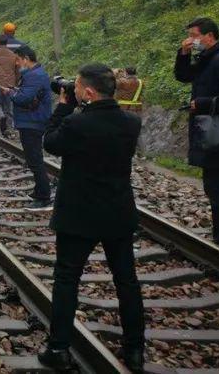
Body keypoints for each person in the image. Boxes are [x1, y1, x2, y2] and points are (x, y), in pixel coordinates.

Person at [37, 64, 146, 373]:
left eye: (77, 88)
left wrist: (62, 107)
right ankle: (135, 350)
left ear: (87, 92)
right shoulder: (131, 123)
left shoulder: (75, 124)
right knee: (126, 281)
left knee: (67, 279)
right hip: (118, 212)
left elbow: (50, 142)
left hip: (78, 214)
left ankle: (58, 348)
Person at [174, 17, 219, 252]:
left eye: (194, 36)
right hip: (208, 129)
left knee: (217, 184)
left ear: (209, 36)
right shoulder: (208, 59)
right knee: (213, 183)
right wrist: (183, 54)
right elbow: (184, 76)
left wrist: (201, 104)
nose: (191, 41)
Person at [0, 45, 53, 210]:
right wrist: (16, 90)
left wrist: (11, 93)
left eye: (18, 60)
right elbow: (28, 94)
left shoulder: (34, 76)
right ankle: (39, 191)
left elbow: (24, 99)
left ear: (26, 59)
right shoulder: (35, 74)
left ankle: (43, 197)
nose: (17, 63)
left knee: (34, 160)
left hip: (32, 122)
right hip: (31, 120)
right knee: (33, 158)